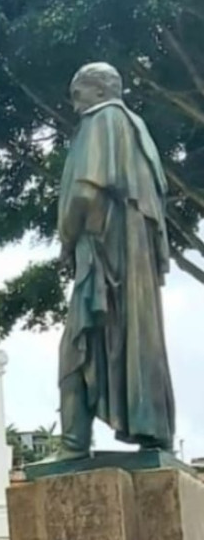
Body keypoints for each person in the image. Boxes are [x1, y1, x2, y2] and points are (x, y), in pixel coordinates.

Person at [55, 61, 175, 458]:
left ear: (101, 91)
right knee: (140, 343)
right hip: (135, 264)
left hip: (104, 256)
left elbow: (85, 192)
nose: (75, 105)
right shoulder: (139, 133)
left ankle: (73, 444)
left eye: (78, 95)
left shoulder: (101, 120)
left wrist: (67, 239)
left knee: (77, 345)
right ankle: (153, 430)